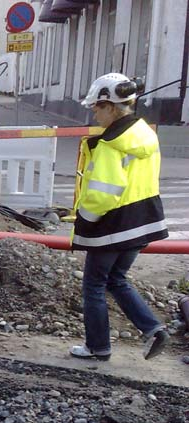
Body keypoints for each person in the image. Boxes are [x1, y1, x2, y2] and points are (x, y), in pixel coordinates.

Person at [69, 73, 169, 362]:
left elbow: (103, 194)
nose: (94, 113)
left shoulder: (111, 144)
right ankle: (153, 328)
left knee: (94, 285)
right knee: (117, 279)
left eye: (97, 108)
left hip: (113, 227)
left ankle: (97, 347)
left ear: (111, 107)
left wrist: (84, 221)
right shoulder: (145, 135)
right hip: (143, 222)